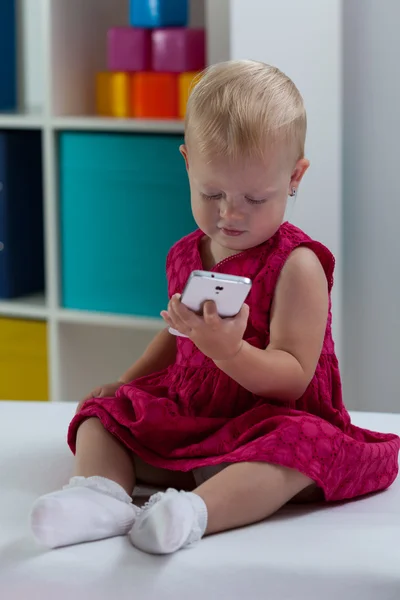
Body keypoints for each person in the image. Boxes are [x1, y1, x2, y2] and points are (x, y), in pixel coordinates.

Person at [31, 60, 400, 555]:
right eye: (212, 192)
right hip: (196, 416)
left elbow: (292, 376)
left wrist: (228, 351)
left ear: (294, 177)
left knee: (294, 450)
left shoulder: (298, 265)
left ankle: (192, 514)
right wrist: (130, 379)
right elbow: (177, 331)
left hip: (268, 424)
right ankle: (100, 497)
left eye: (254, 197)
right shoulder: (188, 252)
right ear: (187, 164)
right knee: (102, 415)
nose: (229, 213)